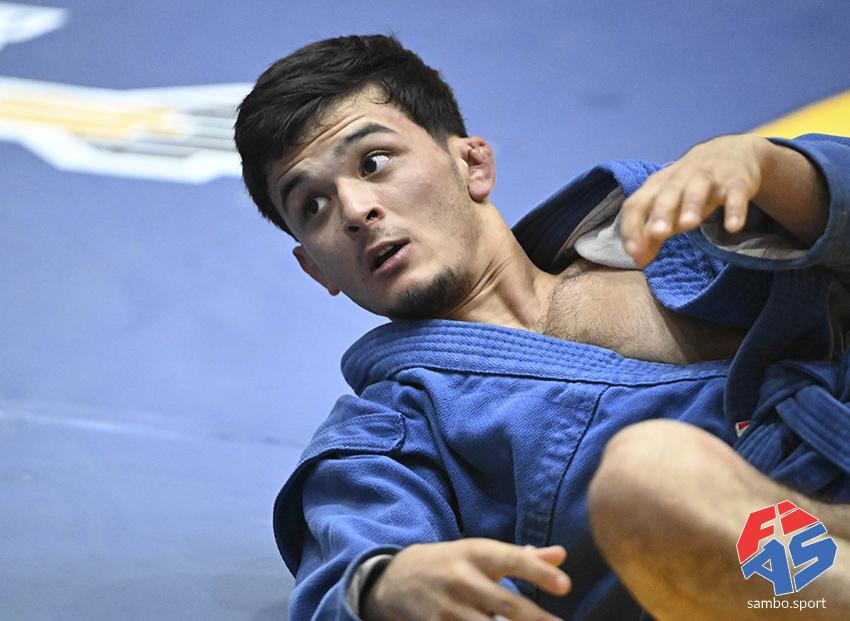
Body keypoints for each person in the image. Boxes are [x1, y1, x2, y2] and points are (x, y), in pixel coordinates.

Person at [234, 34, 850, 620]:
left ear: (472, 164)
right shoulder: (392, 428)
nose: (354, 210)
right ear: (316, 269)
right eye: (313, 205)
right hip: (783, 583)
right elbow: (348, 569)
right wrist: (384, 586)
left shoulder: (668, 219)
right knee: (649, 477)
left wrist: (770, 167)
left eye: (374, 162)